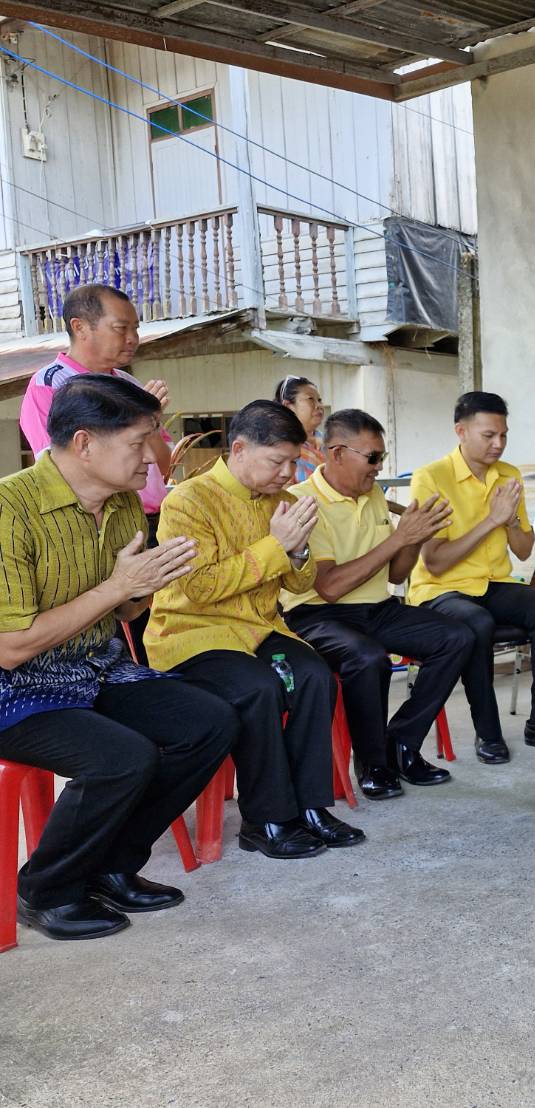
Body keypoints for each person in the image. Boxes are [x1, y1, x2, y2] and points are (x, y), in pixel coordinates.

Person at [0, 376, 235, 942]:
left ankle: (110, 863)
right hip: (15, 687)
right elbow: (11, 648)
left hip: (93, 668)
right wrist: (117, 588)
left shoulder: (125, 503)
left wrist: (150, 582)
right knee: (122, 757)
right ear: (85, 443)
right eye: (138, 444)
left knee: (209, 722)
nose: (151, 463)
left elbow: (127, 614)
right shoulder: (10, 508)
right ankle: (44, 889)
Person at [146, 400, 365, 859]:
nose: (288, 473)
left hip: (261, 629)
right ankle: (264, 819)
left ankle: (310, 807)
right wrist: (276, 544)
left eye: (294, 461)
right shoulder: (188, 501)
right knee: (259, 688)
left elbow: (298, 583)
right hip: (193, 634)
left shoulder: (284, 504)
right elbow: (200, 587)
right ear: (240, 449)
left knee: (313, 676)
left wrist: (299, 553)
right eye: (277, 462)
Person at [284, 410, 484, 799]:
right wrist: (397, 539)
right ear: (336, 453)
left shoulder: (372, 493)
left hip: (376, 606)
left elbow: (395, 574)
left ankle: (402, 743)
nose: (379, 467)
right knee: (368, 657)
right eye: (372, 458)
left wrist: (413, 538)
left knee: (458, 637)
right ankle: (373, 763)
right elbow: (329, 587)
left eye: (382, 457)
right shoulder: (301, 502)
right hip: (315, 614)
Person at [409, 392, 535, 762]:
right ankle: (488, 733)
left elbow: (521, 550)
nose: (498, 444)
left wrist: (513, 519)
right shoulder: (431, 478)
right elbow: (435, 562)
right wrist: (492, 520)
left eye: (503, 435)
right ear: (461, 431)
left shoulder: (509, 475)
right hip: (442, 590)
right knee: (477, 623)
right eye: (488, 435)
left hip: (493, 584)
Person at [19, 284, 174, 664]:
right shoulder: (51, 384)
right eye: (121, 328)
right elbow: (56, 470)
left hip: (144, 518)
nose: (133, 339)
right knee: (108, 633)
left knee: (147, 628)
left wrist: (151, 423)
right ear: (81, 327)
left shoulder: (128, 385)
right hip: (96, 524)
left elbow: (165, 464)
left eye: (136, 328)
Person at [275, 375, 326, 483]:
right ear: (288, 406)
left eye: (319, 400)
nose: (319, 406)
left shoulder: (328, 441)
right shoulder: (280, 445)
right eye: (310, 399)